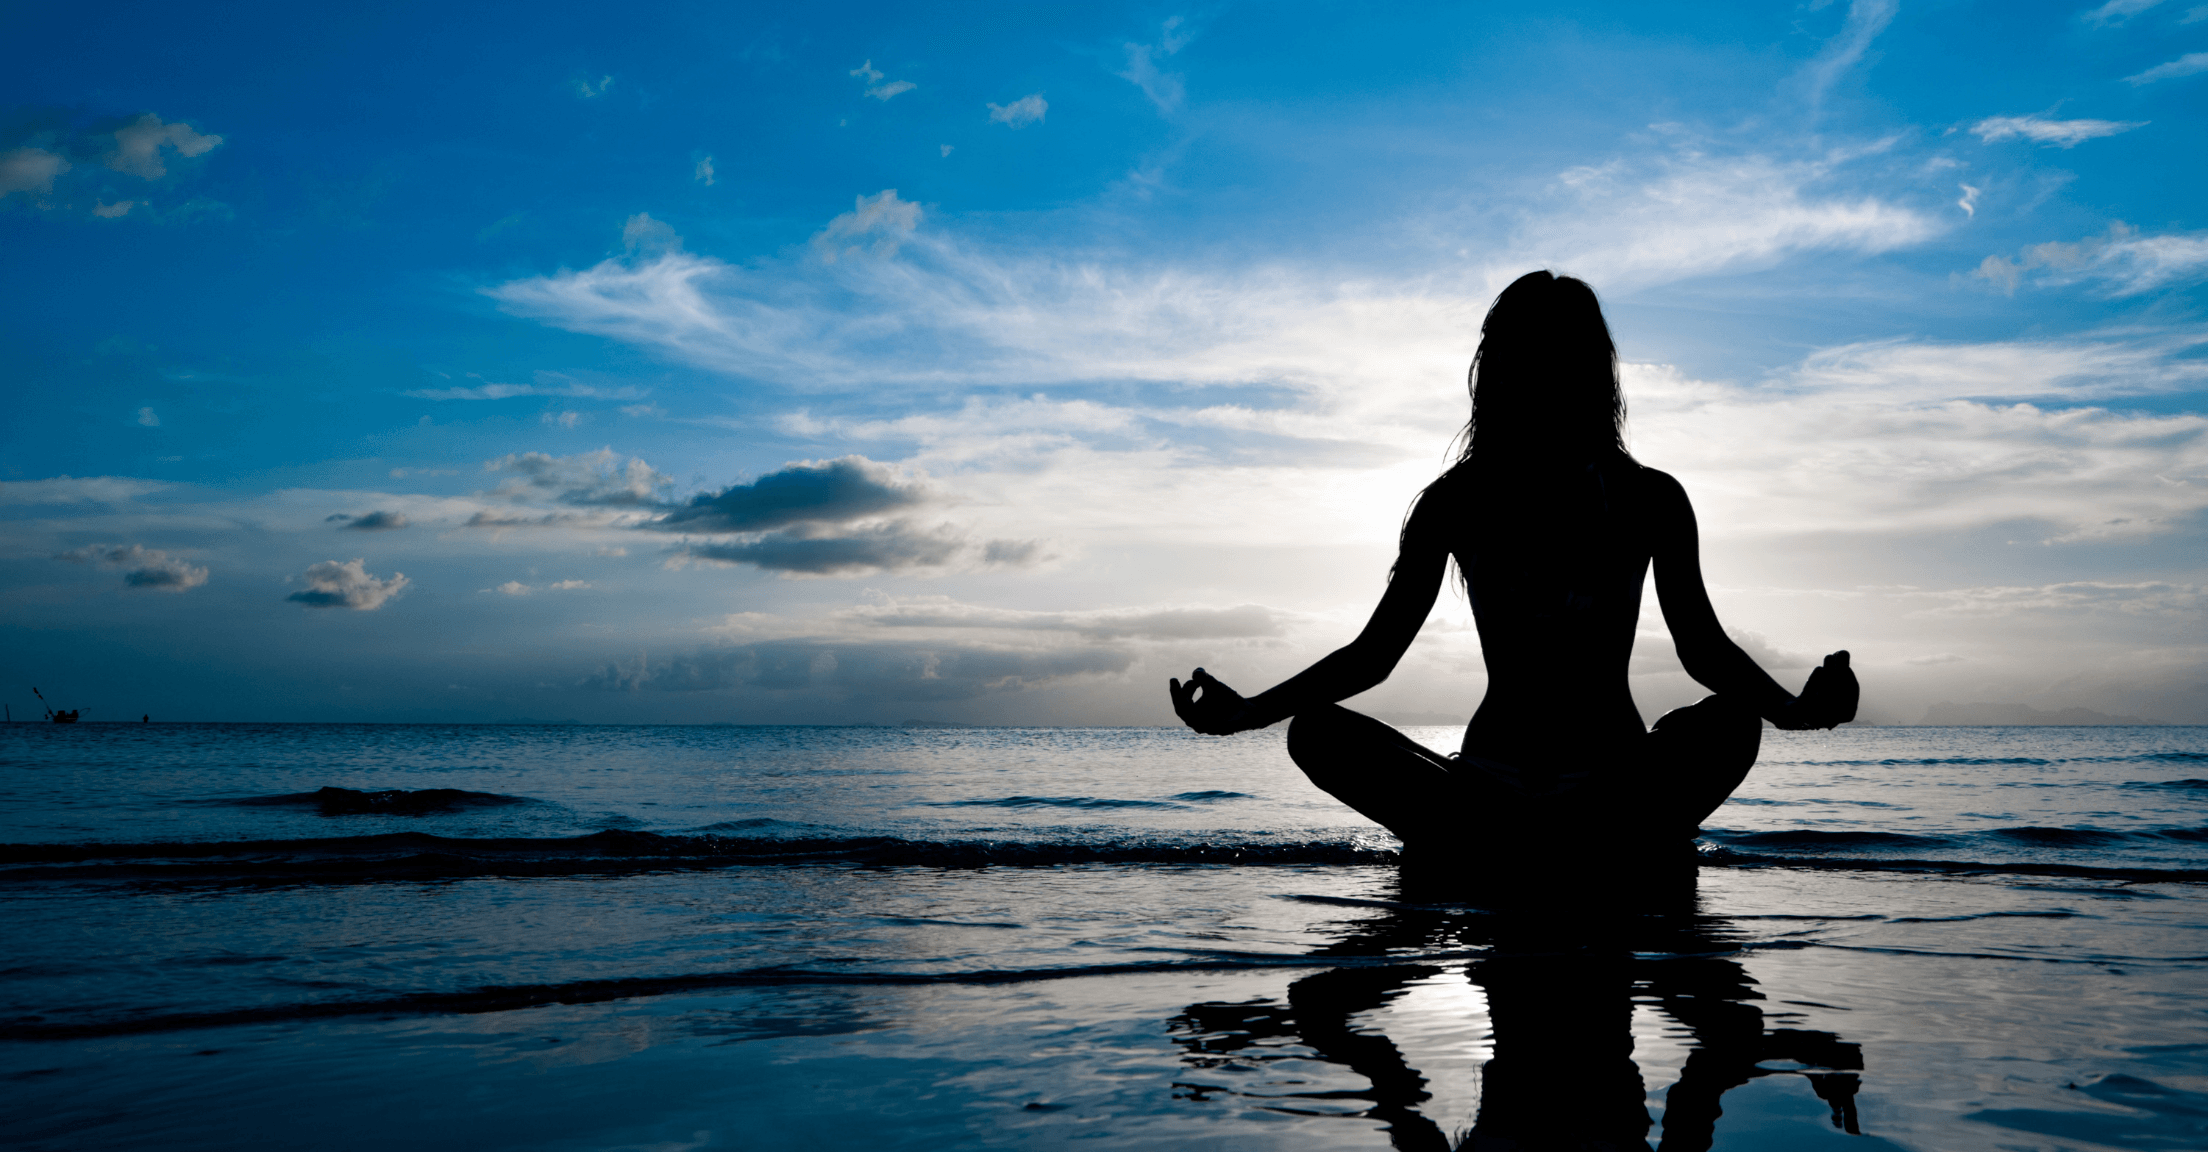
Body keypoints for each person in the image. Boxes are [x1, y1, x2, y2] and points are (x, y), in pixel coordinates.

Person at [1169, 270, 1857, 857]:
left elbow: (1702, 648)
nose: (1542, 374)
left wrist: (1794, 710)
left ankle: (1544, 838)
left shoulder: (1651, 498)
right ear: (1499, 369)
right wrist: (1252, 712)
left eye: (1562, 355)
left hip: (1612, 780)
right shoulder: (1454, 502)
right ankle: (1553, 839)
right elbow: (1376, 654)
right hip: (1490, 786)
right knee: (1315, 730)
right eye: (1526, 356)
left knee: (1734, 719)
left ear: (1592, 369)